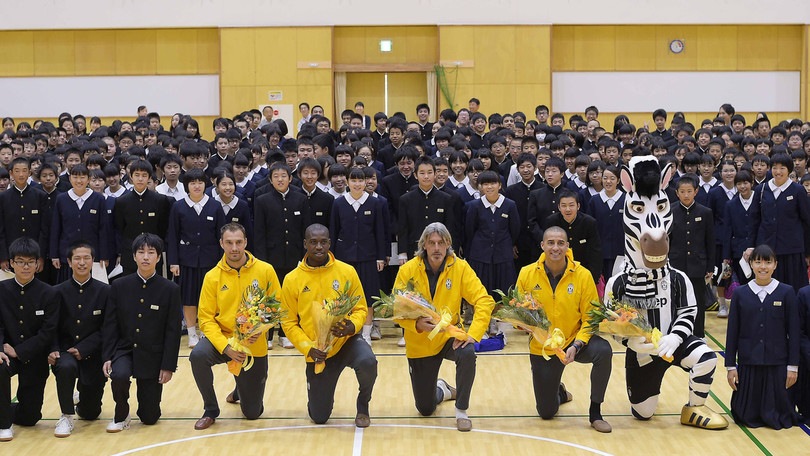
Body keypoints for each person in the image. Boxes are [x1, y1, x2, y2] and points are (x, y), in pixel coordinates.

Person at [394, 222, 495, 432]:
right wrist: (415, 324)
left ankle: (461, 411)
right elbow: (395, 309)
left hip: (450, 336)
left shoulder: (460, 267)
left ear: (448, 243)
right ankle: (444, 389)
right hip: (421, 342)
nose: (437, 248)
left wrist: (473, 334)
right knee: (425, 408)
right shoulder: (407, 270)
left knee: (467, 353)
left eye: (441, 243)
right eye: (432, 243)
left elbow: (484, 300)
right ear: (424, 245)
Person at [517, 225, 613, 432]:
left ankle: (595, 413)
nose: (555, 248)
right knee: (546, 413)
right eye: (550, 243)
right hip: (544, 347)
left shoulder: (583, 275)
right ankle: (559, 392)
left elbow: (591, 318)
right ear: (542, 245)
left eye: (561, 243)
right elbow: (518, 312)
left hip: (574, 340)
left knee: (604, 351)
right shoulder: (526, 274)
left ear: (568, 246)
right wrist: (521, 323)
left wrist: (577, 345)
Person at [280, 224, 377, 427]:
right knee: (319, 417)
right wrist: (308, 348)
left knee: (368, 362)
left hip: (346, 342)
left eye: (323, 242)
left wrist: (352, 326)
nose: (319, 247)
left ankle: (363, 406)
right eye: (313, 242)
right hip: (318, 352)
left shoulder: (347, 271)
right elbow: (288, 322)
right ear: (305, 244)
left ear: (330, 243)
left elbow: (360, 308)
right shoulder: (292, 279)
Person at [190, 223, 281, 430]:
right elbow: (205, 319)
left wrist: (259, 330)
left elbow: (277, 307)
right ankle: (210, 410)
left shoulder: (265, 270)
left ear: (246, 242)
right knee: (198, 356)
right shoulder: (212, 277)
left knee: (253, 414)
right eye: (229, 243)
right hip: (223, 340)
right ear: (221, 244)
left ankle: (241, 389)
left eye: (239, 242)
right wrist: (226, 347)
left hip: (252, 343)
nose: (234, 248)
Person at [102, 233, 182, 432]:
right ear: (134, 256)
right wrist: (108, 356)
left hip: (152, 355)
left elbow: (173, 331)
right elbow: (110, 324)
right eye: (141, 252)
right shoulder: (119, 286)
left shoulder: (170, 289)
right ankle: (121, 414)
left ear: (159, 257)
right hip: (124, 350)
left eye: (151, 252)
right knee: (119, 375)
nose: (146, 257)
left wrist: (168, 366)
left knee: (149, 417)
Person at [726, 244, 800, 429]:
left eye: (768, 262)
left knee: (782, 413)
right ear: (751, 264)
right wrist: (730, 366)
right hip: (748, 362)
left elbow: (794, 332)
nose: (763, 267)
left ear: (775, 265)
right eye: (758, 262)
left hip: (777, 362)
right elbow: (732, 331)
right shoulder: (740, 293)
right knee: (743, 414)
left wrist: (793, 366)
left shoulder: (786, 292)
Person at [0, 238, 59, 441]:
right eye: (20, 261)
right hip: (7, 353)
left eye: (30, 262)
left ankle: (6, 409)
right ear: (11, 263)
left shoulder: (49, 293)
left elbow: (48, 331)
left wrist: (20, 351)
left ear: (37, 264)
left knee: (30, 417)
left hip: (34, 356)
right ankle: (4, 425)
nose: (25, 266)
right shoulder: (1, 290)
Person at [50, 241, 109, 437]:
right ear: (69, 262)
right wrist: (53, 349)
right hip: (65, 350)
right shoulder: (57, 292)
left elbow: (108, 328)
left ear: (93, 261)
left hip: (93, 353)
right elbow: (50, 327)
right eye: (77, 258)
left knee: (90, 413)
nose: (82, 263)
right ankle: (66, 415)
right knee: (66, 367)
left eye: (86, 258)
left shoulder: (105, 291)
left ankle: (81, 397)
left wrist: (84, 348)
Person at [167, 168, 225, 348]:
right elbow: (172, 236)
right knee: (189, 298)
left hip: (211, 261)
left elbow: (222, 236)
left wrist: (223, 262)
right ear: (187, 186)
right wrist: (173, 262)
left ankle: (207, 332)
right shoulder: (178, 207)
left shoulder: (215, 206)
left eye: (200, 182)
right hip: (187, 261)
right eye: (193, 183)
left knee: (209, 299)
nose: (197, 186)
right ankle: (192, 333)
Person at [254, 162, 310, 349]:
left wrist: (305, 257)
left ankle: (286, 333)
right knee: (269, 298)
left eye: (283, 176)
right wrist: (261, 261)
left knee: (291, 298)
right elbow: (259, 233)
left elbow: (305, 231)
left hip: (295, 257)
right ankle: (268, 334)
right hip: (271, 258)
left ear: (290, 178)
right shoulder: (262, 200)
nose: (280, 179)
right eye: (276, 176)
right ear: (270, 180)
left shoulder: (300, 199)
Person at [330, 169, 387, 344]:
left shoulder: (374, 203)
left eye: (360, 180)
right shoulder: (339, 203)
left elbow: (380, 231)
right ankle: (347, 331)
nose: (357, 184)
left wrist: (380, 257)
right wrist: (331, 257)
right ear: (347, 182)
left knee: (368, 297)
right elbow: (333, 230)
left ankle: (366, 333)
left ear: (365, 182)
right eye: (353, 180)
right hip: (344, 258)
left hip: (368, 257)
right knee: (344, 297)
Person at [669, 174, 714, 338]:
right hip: (676, 264)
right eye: (682, 191)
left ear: (696, 191)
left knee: (698, 301)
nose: (686, 195)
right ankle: (675, 334)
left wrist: (710, 266)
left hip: (698, 265)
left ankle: (698, 335)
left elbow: (710, 241)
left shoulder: (705, 212)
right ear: (677, 193)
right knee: (675, 301)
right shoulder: (670, 211)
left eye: (689, 191)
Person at [50, 164, 112, 283]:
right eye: (75, 177)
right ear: (70, 179)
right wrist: (54, 255)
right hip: (67, 255)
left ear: (88, 179)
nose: (79, 181)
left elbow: (104, 229)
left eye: (82, 177)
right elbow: (56, 228)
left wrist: (104, 255)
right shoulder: (61, 199)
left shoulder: (98, 199)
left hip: (93, 256)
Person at [113, 160, 171, 277]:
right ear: (131, 176)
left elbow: (163, 228)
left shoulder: (160, 200)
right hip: (130, 254)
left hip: (153, 252)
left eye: (144, 175)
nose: (140, 179)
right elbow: (120, 228)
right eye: (137, 175)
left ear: (149, 177)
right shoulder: (121, 201)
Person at [0, 157, 50, 274]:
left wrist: (41, 256)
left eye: (24, 170)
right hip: (11, 254)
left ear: (29, 173)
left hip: (34, 253)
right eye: (17, 171)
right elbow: (1, 230)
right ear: (11, 173)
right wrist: (3, 257)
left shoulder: (40, 196)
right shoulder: (3, 198)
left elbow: (44, 229)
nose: (21, 174)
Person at [544, 189, 602, 283]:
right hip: (558, 271)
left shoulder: (589, 223)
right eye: (564, 205)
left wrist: (593, 278)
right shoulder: (551, 221)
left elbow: (595, 252)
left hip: (582, 271)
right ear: (559, 207)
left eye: (571, 205)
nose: (568, 209)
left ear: (578, 206)